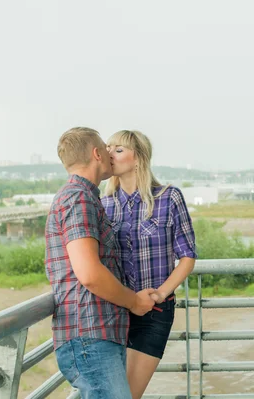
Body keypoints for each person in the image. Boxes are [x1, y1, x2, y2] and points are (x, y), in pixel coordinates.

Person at [45, 127, 156, 399]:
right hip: (89, 336)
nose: (110, 154)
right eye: (107, 148)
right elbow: (89, 273)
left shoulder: (86, 197)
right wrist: (134, 302)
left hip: (97, 334)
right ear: (96, 153)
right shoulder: (78, 198)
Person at [102, 130, 197, 399]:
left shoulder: (169, 197)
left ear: (139, 158)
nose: (110, 153)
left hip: (154, 312)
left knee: (127, 395)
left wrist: (162, 293)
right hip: (113, 313)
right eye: (108, 148)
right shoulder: (103, 204)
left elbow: (188, 256)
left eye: (118, 149)